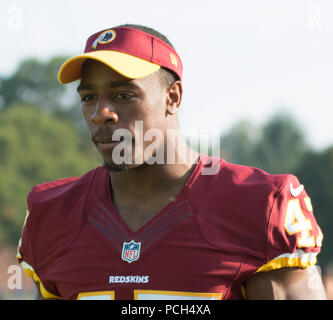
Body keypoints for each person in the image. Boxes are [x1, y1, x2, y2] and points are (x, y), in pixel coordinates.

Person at [17, 24, 327, 300]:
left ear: (173, 97)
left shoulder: (260, 205)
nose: (101, 112)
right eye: (88, 98)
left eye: (123, 95)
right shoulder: (52, 214)